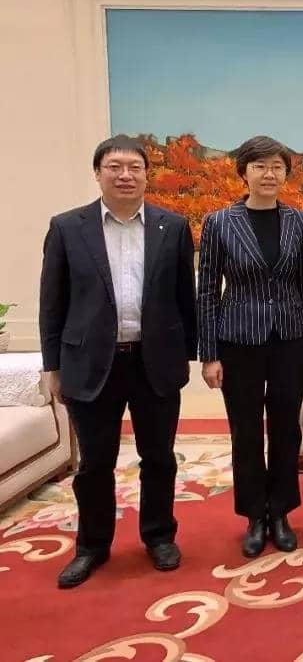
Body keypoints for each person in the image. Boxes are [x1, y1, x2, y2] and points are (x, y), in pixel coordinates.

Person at [40, 135, 196, 588]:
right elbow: (52, 302)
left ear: (147, 175)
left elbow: (185, 298)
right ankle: (92, 545)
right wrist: (53, 366)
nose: (125, 175)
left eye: (134, 167)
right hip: (90, 363)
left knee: (159, 457)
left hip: (154, 362)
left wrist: (187, 355)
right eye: (114, 167)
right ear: (98, 173)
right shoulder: (68, 227)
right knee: (95, 463)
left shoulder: (172, 227)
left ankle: (159, 536)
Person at [197, 136, 303, 558]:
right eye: (260, 166)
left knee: (286, 429)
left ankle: (281, 513)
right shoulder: (219, 223)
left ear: (286, 174)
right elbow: (207, 290)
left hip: (290, 339)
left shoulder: (299, 221)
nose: (269, 174)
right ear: (243, 172)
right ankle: (254, 516)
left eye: (277, 167)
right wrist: (209, 354)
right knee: (245, 431)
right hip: (238, 341)